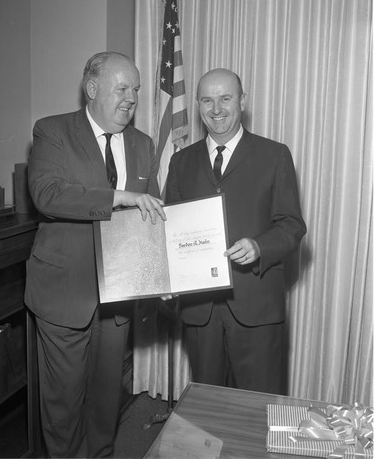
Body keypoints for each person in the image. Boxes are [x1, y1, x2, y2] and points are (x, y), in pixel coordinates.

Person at [25, 51, 166, 458]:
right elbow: (48, 194)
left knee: (106, 401)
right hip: (65, 293)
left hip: (117, 294)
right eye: (122, 88)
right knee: (64, 406)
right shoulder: (52, 131)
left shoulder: (143, 143)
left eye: (136, 90)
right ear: (92, 89)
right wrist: (121, 197)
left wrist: (164, 275)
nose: (131, 98)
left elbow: (151, 214)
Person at [165, 68, 306, 394]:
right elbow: (170, 231)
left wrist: (259, 247)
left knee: (259, 407)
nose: (216, 109)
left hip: (256, 305)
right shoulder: (180, 162)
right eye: (207, 100)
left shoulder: (275, 155)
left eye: (225, 98)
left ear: (242, 101)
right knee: (207, 408)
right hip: (200, 310)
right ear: (198, 106)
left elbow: (292, 225)